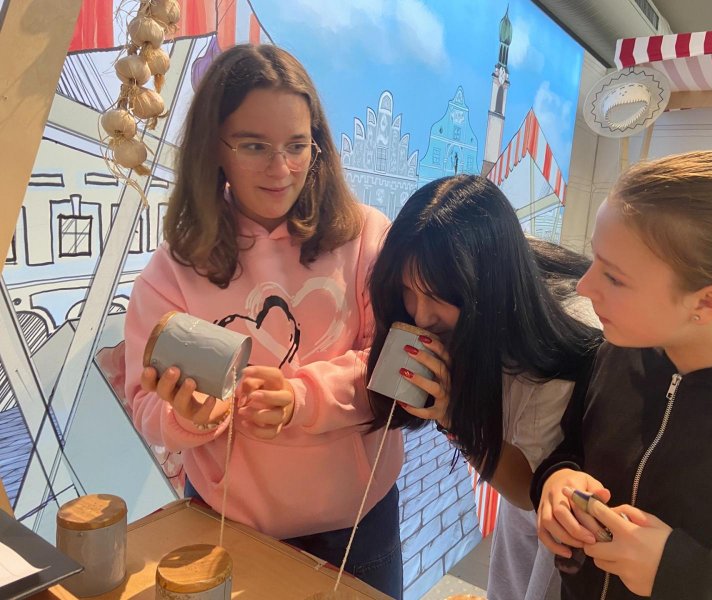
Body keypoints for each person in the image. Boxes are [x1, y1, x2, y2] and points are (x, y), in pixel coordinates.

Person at [123, 44, 404, 598]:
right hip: (228, 524)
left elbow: (395, 367)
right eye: (254, 146)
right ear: (214, 148)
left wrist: (302, 397)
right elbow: (145, 403)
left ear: (317, 145)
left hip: (359, 524)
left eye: (296, 146)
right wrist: (189, 416)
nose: (280, 169)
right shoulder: (172, 271)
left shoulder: (368, 237)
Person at [533, 150, 712, 599]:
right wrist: (557, 482)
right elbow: (571, 450)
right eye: (594, 259)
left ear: (707, 302)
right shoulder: (617, 354)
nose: (584, 286)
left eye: (614, 277)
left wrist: (677, 572)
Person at [366, 175, 602, 600]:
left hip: (570, 510)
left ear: (483, 289)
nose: (420, 316)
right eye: (406, 290)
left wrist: (453, 415)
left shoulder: (553, 350)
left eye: (438, 296)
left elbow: (527, 490)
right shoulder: (492, 270)